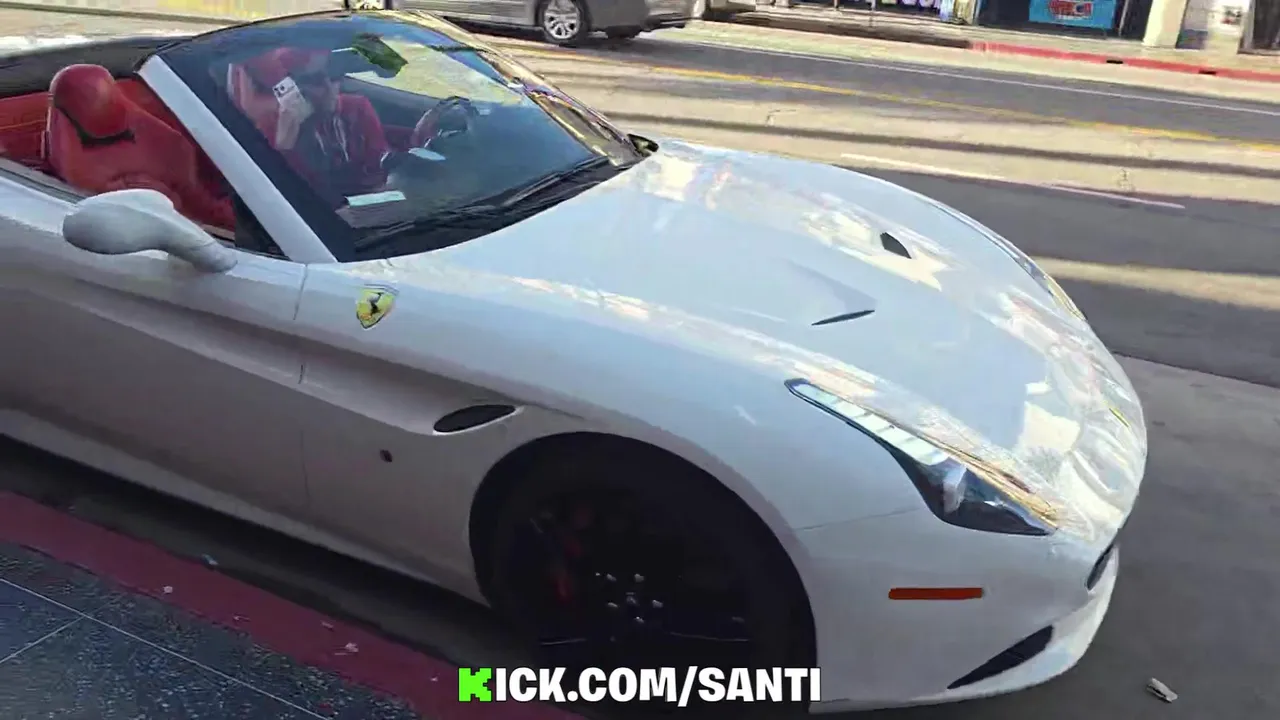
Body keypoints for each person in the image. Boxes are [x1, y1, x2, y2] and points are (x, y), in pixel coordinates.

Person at [275, 48, 391, 202]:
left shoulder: (358, 107)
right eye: (316, 80)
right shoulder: (282, 126)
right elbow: (290, 190)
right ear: (294, 87)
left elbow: (380, 161)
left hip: (369, 200)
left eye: (334, 76)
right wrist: (285, 146)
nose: (329, 88)